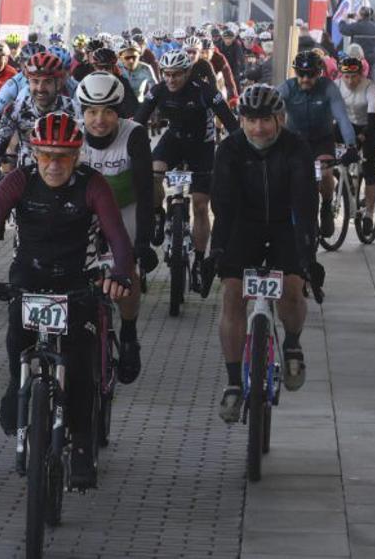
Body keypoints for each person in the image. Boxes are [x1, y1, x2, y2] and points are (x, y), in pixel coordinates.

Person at [0, 111, 132, 489]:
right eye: (46, 155)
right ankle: (13, 385)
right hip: (30, 276)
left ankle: (83, 446)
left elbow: (118, 236)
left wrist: (120, 274)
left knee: (82, 364)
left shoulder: (93, 184)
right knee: (16, 339)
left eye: (64, 156)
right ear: (34, 153)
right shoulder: (19, 181)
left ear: (77, 155)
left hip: (78, 282)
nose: (54, 165)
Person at [209, 85, 320, 423]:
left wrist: (307, 255)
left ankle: (292, 343)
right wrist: (216, 251)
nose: (259, 128)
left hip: (286, 224)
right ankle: (232, 382)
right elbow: (223, 206)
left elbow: (305, 203)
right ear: (241, 121)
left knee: (291, 285)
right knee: (231, 294)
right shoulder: (229, 149)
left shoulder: (296, 147)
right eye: (251, 120)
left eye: (266, 121)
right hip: (244, 225)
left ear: (280, 119)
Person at [134, 50, 239, 289]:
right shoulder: (158, 90)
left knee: (201, 205)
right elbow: (138, 122)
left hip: (202, 146)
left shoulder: (204, 91)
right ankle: (158, 214)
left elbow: (232, 125)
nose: (171, 80)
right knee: (153, 175)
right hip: (174, 139)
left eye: (177, 75)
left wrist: (239, 152)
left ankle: (200, 262)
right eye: (167, 74)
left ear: (187, 72)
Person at [75, 72, 154, 384]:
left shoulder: (134, 134)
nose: (99, 120)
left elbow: (146, 192)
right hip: (86, 214)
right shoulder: (74, 135)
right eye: (92, 112)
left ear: (118, 111)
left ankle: (130, 333)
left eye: (108, 111)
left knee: (126, 271)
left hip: (125, 211)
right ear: (82, 113)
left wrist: (144, 242)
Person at [276, 51, 357, 239]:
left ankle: (327, 206)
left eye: (310, 74)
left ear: (319, 73)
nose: (305, 79)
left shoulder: (328, 88)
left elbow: (342, 118)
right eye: (301, 74)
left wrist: (351, 145)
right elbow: (270, 105)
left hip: (322, 139)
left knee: (326, 172)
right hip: (296, 140)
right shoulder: (288, 88)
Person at [0, 51, 77, 172]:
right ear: (28, 82)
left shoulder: (73, 109)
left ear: (59, 84)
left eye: (47, 82)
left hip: (60, 175)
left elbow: (85, 151)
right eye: (35, 81)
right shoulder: (16, 109)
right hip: (26, 177)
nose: (40, 88)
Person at [335, 56, 375, 236]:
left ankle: (369, 212)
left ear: (361, 74)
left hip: (367, 127)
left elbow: (372, 118)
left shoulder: (371, 88)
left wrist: (361, 138)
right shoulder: (337, 86)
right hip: (347, 125)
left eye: (354, 76)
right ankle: (345, 183)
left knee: (368, 167)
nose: (350, 81)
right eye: (346, 76)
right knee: (335, 157)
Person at [339, 6, 375, 79]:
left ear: (360, 15)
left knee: (357, 77)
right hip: (370, 56)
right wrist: (358, 20)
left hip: (358, 57)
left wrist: (343, 19)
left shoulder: (357, 26)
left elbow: (343, 29)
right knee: (369, 77)